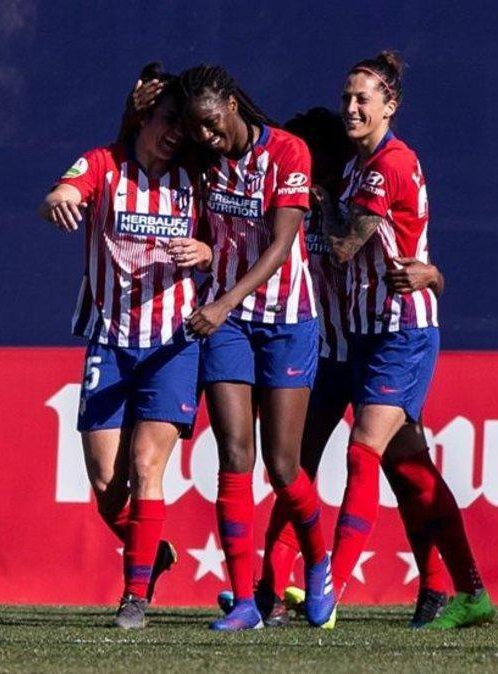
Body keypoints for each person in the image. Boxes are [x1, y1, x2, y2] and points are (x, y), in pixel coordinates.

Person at [260, 108, 458, 629]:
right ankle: (268, 593)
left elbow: (397, 244)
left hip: (380, 342)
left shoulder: (355, 187)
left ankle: (407, 586)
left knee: (397, 469)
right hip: (326, 354)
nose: (300, 165)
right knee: (294, 471)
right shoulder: (291, 205)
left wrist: (433, 276)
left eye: (310, 156)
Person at [37, 64, 212, 629]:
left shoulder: (197, 180)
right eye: (164, 121)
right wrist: (59, 197)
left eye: (181, 127)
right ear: (141, 117)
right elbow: (61, 191)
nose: (173, 135)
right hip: (109, 343)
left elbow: (222, 242)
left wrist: (204, 254)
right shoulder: (103, 165)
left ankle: (134, 597)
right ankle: (149, 549)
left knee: (147, 465)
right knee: (109, 488)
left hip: (172, 344)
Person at [326, 50, 493, 630]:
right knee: (411, 471)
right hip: (366, 332)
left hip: (403, 330)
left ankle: (329, 590)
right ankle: (462, 592)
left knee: (362, 451)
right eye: (346, 97)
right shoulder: (354, 166)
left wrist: (308, 210)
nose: (350, 107)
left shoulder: (388, 163)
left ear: (389, 106)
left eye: (362, 99)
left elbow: (345, 246)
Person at [173, 64, 334, 632]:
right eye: (197, 129)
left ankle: (319, 561)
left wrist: (219, 303)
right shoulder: (202, 159)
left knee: (284, 466)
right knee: (234, 459)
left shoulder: (289, 153)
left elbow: (281, 243)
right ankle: (246, 601)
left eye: (213, 125)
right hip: (230, 326)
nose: (207, 138)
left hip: (288, 321)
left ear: (234, 106)